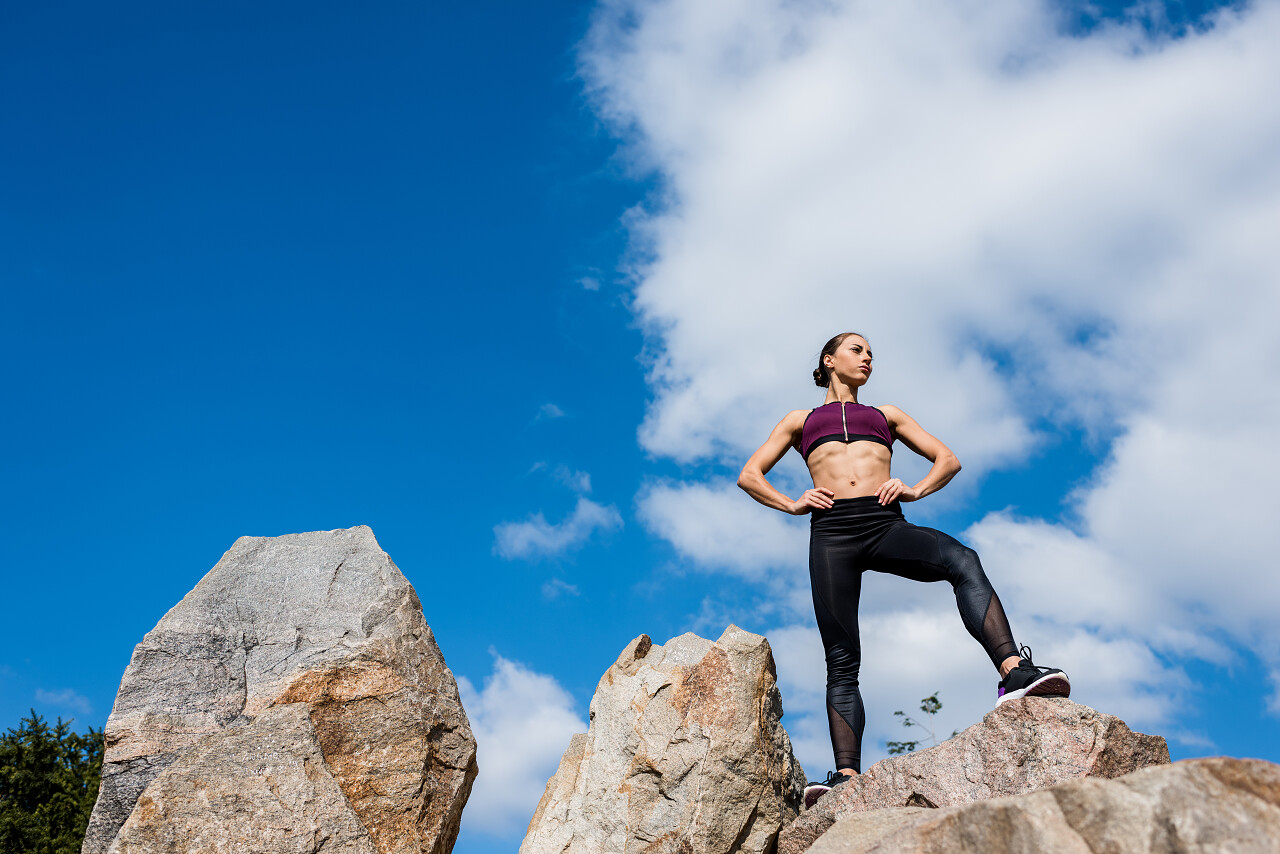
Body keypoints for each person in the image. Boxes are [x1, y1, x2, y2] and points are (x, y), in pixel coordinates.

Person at [737, 332, 1070, 808]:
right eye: (857, 349)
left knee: (963, 560)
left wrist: (914, 490)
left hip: (884, 524)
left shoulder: (886, 416)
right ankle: (847, 777)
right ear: (829, 361)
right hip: (831, 535)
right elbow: (749, 475)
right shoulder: (800, 420)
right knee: (841, 655)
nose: (868, 357)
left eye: (871, 352)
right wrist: (792, 504)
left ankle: (1015, 673)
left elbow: (947, 459)